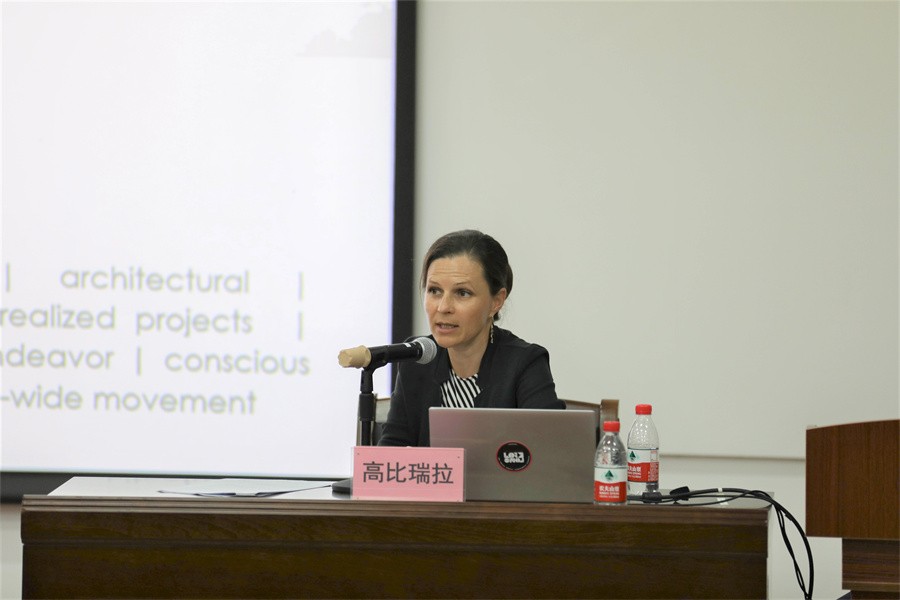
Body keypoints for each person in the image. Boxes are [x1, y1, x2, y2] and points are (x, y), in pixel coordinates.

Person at [379, 229, 564, 447]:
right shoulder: (417, 358)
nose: (443, 307)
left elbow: (551, 452)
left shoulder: (525, 362)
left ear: (496, 302)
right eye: (435, 291)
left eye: (462, 293)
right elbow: (392, 449)